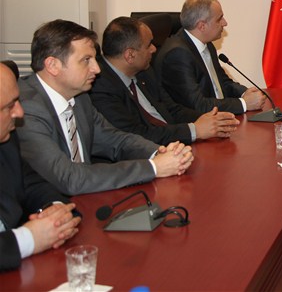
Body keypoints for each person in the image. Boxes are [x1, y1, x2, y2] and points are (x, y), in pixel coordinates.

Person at [16, 20, 194, 196]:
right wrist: (154, 167)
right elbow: (69, 178)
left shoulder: (80, 97)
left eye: (94, 59)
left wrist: (160, 152)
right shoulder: (25, 110)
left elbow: (115, 140)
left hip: (87, 198)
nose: (97, 68)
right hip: (50, 206)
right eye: (86, 60)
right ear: (53, 65)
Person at [89, 17, 239, 146]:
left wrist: (210, 120)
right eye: (149, 45)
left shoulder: (144, 72)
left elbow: (172, 110)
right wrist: (195, 130)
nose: (154, 49)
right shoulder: (100, 87)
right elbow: (135, 135)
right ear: (130, 55)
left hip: (175, 145)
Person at [0, 62, 80, 272]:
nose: (19, 112)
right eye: (9, 106)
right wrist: (29, 238)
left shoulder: (6, 140)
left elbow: (31, 184)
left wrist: (55, 211)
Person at [155, 0, 266, 114]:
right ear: (202, 26)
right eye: (219, 19)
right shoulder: (177, 55)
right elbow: (198, 105)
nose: (225, 23)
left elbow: (221, 82)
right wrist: (244, 103)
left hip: (218, 116)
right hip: (198, 121)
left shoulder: (206, 44)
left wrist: (245, 93)